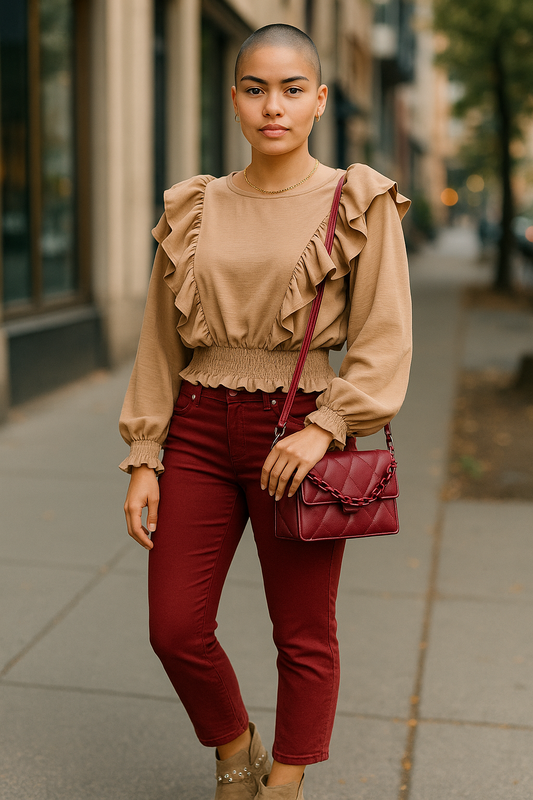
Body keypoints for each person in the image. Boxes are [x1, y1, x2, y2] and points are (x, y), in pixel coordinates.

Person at [120, 23, 411, 800]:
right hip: (196, 428)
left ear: (320, 100)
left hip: (301, 429)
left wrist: (328, 427)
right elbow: (158, 339)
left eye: (290, 89)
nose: (271, 106)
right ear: (234, 99)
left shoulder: (356, 199)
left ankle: (282, 784)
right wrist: (144, 455)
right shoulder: (196, 205)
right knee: (174, 627)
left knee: (302, 632)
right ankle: (234, 745)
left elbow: (385, 336)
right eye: (255, 89)